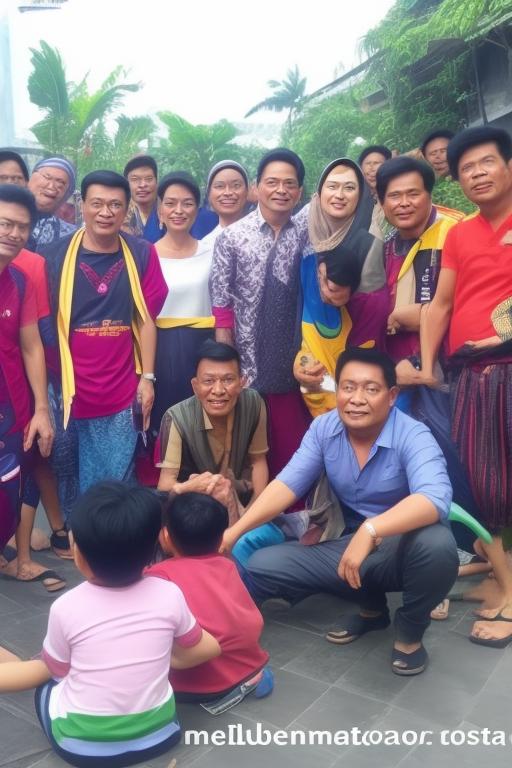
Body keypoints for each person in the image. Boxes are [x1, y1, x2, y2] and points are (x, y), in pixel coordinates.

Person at [222, 347, 458, 676]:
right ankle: (372, 611)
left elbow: (434, 497)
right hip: (346, 542)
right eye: (348, 387)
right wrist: (234, 533)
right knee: (262, 563)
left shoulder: (413, 434)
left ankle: (410, 631)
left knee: (438, 546)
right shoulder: (324, 429)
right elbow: (287, 484)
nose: (357, 399)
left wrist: (372, 530)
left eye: (370, 389)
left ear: (391, 396)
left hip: (401, 546)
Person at [0, 481, 220, 767]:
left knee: (46, 683)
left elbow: (58, 672)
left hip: (83, 746)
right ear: (154, 546)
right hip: (162, 733)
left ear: (77, 554)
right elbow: (199, 644)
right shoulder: (170, 593)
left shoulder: (66, 607)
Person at [418, 126, 512, 647]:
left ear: (509, 165)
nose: (477, 174)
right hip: (471, 373)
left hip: (509, 363)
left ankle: (510, 593)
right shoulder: (459, 234)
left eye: (486, 162)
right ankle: (501, 577)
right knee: (485, 482)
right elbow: (440, 304)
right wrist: (428, 363)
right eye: (466, 168)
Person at [43, 170, 167, 515]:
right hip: (68, 389)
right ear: (82, 204)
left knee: (116, 482)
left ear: (127, 209)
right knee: (69, 476)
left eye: (115, 205)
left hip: (121, 387)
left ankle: (114, 542)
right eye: (97, 203)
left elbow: (147, 318)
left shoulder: (141, 254)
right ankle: (78, 538)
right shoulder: (53, 256)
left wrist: (148, 379)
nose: (105, 212)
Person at [210, 148, 311, 477]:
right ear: (256, 187)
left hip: (296, 362)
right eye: (272, 182)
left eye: (289, 184)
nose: (281, 190)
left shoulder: (308, 235)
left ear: (299, 191)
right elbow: (221, 303)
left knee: (295, 447)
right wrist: (226, 364)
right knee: (246, 451)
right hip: (247, 362)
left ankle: (296, 502)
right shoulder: (233, 237)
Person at [146, 492, 273, 711]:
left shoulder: (158, 574)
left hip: (198, 685)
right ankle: (248, 678)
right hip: (249, 664)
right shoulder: (227, 565)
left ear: (165, 535)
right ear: (221, 537)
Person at [157, 340, 275, 560]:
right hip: (196, 508)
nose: (218, 390)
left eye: (228, 380)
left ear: (242, 382)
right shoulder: (176, 417)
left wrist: (252, 514)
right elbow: (165, 486)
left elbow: (258, 461)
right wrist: (191, 486)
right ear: (195, 385)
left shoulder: (253, 403)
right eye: (209, 381)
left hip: (242, 501)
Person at [294, 157, 388, 417]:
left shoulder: (369, 240)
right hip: (311, 351)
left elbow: (374, 311)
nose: (340, 195)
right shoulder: (303, 230)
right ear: (320, 192)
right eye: (332, 186)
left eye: (349, 187)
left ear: (360, 194)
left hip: (356, 354)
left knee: (354, 419)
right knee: (320, 424)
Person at [0, 185, 54, 561]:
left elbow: (32, 345)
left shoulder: (19, 280)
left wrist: (41, 410)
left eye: (22, 227)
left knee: (7, 503)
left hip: (12, 411)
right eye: (5, 223)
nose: (13, 233)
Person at [151, 172, 215, 433]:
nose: (179, 210)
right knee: (165, 428)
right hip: (159, 351)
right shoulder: (145, 255)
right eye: (170, 203)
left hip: (202, 349)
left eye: (187, 203)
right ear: (160, 210)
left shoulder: (211, 252)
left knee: (202, 426)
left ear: (197, 210)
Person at [27, 157, 76, 250]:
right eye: (47, 177)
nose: (51, 186)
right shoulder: (5, 216)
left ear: (67, 193)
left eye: (60, 182)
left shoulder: (72, 236)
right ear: (30, 179)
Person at [200, 160, 249, 250]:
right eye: (219, 186)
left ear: (247, 191)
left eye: (236, 185)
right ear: (209, 194)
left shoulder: (265, 238)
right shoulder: (205, 246)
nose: (228, 193)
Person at [358, 144, 392, 235]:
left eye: (377, 163)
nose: (371, 168)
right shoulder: (357, 199)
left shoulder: (395, 198)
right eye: (368, 163)